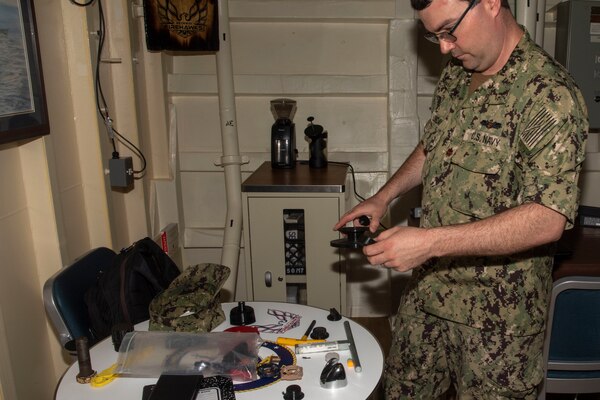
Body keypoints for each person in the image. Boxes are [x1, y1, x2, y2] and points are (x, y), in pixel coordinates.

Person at [334, 0, 589, 398]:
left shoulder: (550, 95)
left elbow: (547, 217)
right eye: (434, 35)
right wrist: (383, 197)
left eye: (450, 29)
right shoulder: (459, 71)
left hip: (497, 324)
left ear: (490, 3)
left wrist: (429, 242)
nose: (444, 47)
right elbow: (435, 145)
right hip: (429, 295)